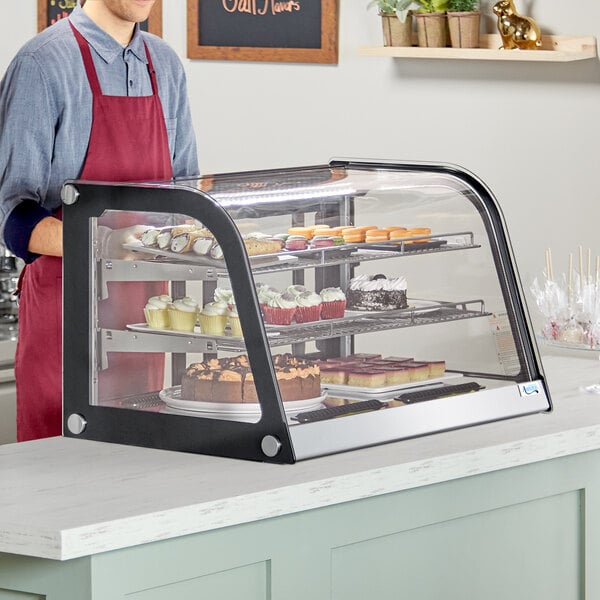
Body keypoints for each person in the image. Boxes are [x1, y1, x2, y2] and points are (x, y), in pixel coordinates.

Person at [0, 0, 199, 441]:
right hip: (66, 317)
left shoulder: (164, 63)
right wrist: (102, 242)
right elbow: (14, 218)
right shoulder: (42, 63)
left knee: (141, 469)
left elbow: (186, 196)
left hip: (149, 318)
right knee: (60, 485)